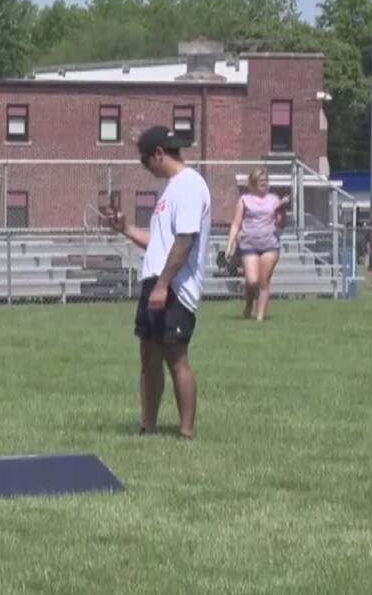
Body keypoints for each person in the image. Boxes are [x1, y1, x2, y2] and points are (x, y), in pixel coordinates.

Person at [103, 126, 210, 440]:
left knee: (176, 358)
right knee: (148, 357)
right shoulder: (170, 190)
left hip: (176, 286)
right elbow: (159, 243)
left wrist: (164, 284)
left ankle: (186, 431)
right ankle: (147, 426)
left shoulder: (190, 185)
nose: (146, 167)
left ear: (159, 154)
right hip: (156, 281)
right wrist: (125, 229)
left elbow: (185, 240)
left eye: (145, 160)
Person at [224, 169, 285, 321]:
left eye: (265, 180)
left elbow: (280, 223)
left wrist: (281, 209)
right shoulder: (244, 200)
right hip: (248, 245)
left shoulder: (273, 199)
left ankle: (259, 318)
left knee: (264, 281)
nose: (264, 183)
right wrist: (230, 244)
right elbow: (236, 224)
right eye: (260, 180)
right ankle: (249, 304)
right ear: (252, 183)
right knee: (252, 281)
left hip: (270, 244)